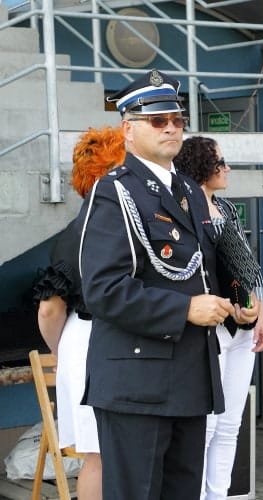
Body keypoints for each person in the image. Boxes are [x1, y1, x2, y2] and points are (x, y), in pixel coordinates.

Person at [78, 69, 257, 500]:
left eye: (177, 120)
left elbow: (206, 269)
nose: (172, 128)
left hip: (191, 377)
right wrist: (184, 310)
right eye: (158, 121)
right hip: (137, 382)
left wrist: (240, 302)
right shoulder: (114, 193)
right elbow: (103, 290)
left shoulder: (189, 192)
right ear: (129, 129)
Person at [173, 136, 263, 500]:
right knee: (207, 426)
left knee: (230, 424)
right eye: (220, 161)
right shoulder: (184, 211)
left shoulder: (226, 208)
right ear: (200, 166)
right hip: (210, 328)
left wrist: (262, 314)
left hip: (242, 327)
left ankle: (221, 495)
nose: (227, 167)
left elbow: (250, 269)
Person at [34, 125, 125, 500]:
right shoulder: (86, 230)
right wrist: (58, 350)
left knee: (102, 454)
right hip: (91, 340)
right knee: (101, 454)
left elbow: (50, 310)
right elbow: (49, 308)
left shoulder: (79, 228)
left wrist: (59, 347)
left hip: (89, 340)